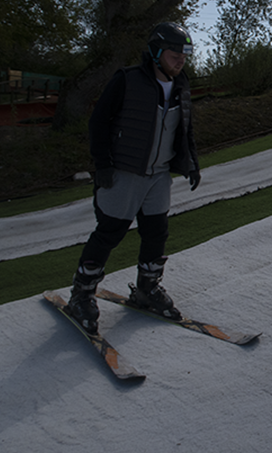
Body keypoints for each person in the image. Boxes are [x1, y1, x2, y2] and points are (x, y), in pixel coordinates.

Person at [66, 22, 201, 333]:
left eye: (185, 55)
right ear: (155, 52)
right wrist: (102, 164)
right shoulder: (127, 80)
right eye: (174, 54)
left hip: (159, 175)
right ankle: (82, 294)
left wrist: (192, 163)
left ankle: (147, 289)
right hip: (124, 172)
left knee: (157, 232)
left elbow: (185, 129)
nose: (180, 60)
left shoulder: (181, 86)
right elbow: (98, 123)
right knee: (110, 232)